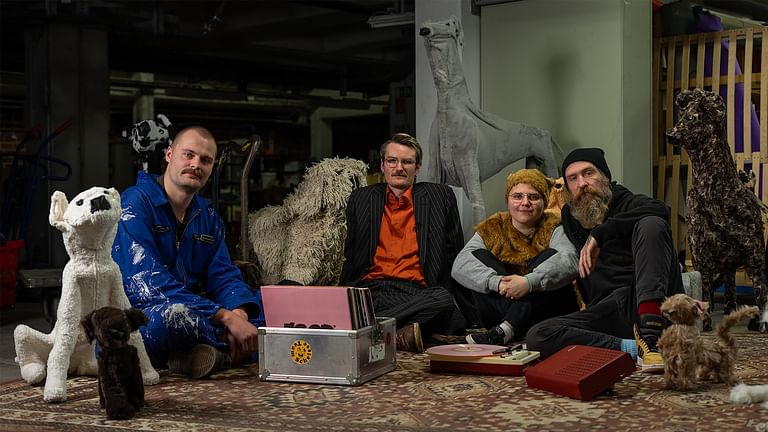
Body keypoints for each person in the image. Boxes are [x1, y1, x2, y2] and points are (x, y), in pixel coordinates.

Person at [112, 126, 264, 379]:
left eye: (205, 160)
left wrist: (239, 312)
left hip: (197, 311)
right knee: (172, 319)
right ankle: (228, 352)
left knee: (268, 310)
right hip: (144, 310)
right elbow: (146, 282)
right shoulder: (134, 204)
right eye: (188, 155)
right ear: (169, 155)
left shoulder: (208, 217)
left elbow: (223, 274)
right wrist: (224, 317)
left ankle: (197, 355)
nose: (196, 165)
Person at [525, 148, 684, 371]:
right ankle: (633, 349)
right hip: (610, 309)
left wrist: (599, 234)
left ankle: (652, 338)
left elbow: (660, 210)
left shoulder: (628, 203)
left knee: (651, 224)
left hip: (652, 302)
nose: (582, 183)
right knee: (538, 336)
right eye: (573, 178)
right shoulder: (571, 216)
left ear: (605, 176)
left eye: (588, 173)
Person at [340, 132, 472, 353]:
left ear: (417, 168)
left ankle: (365, 328)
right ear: (382, 166)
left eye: (407, 162)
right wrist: (341, 296)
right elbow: (351, 254)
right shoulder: (361, 198)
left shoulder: (440, 196)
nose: (399, 167)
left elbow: (455, 254)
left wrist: (468, 307)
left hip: (416, 292)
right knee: (445, 319)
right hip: (371, 290)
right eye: (392, 161)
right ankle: (399, 332)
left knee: (444, 302)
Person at [451, 169, 580, 346]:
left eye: (533, 197)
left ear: (544, 202)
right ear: (508, 200)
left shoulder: (555, 226)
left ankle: (508, 329)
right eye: (517, 196)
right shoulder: (493, 227)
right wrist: (497, 282)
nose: (525, 203)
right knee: (478, 256)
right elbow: (460, 265)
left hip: (548, 312)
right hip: (500, 310)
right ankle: (513, 326)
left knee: (550, 256)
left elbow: (569, 261)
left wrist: (528, 282)